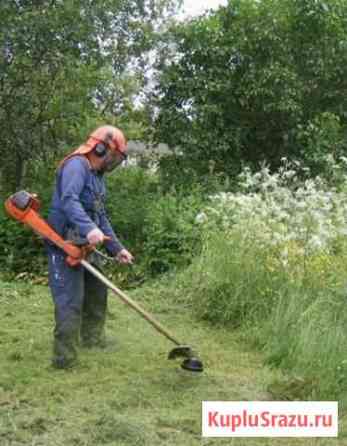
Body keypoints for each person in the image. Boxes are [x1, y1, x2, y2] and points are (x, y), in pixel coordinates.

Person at [46, 125, 134, 369]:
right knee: (70, 300)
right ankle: (64, 359)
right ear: (101, 147)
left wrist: (117, 249)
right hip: (65, 245)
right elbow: (68, 200)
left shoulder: (97, 177)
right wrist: (90, 229)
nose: (114, 162)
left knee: (97, 293)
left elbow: (100, 216)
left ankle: (93, 340)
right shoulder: (76, 166)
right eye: (114, 155)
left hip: (85, 245)